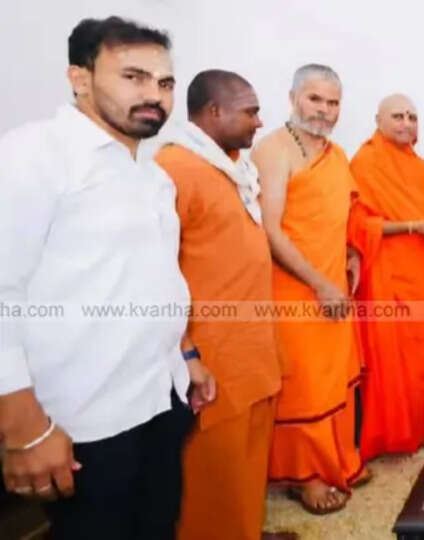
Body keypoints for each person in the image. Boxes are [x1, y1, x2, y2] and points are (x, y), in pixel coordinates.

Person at [0, 16, 207, 538]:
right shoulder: (32, 156)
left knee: (157, 526)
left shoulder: (151, 175)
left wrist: (185, 358)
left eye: (164, 83)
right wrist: (23, 428)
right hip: (82, 423)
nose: (154, 96)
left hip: (159, 403)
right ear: (80, 78)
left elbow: (155, 283)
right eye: (133, 77)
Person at [154, 70, 295, 539]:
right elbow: (158, 271)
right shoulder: (175, 168)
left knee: (248, 464)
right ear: (214, 112)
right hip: (214, 359)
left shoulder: (231, 165)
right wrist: (188, 352)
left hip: (252, 349)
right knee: (214, 472)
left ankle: (247, 530)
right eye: (250, 111)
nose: (259, 122)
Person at [252, 64, 367, 515]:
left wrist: (351, 255)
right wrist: (319, 283)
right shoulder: (274, 150)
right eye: (315, 99)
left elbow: (337, 218)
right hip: (296, 290)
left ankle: (338, 460)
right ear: (293, 98)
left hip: (334, 286)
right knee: (304, 384)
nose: (324, 110)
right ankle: (305, 475)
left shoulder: (335, 155)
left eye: (333, 102)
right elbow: (271, 229)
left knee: (335, 378)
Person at [348, 93, 424, 460]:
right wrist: (412, 226)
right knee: (390, 365)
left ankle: (419, 427)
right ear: (378, 119)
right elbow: (355, 223)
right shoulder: (365, 161)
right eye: (397, 116)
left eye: (412, 117)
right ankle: (391, 437)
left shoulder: (421, 168)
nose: (406, 123)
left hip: (422, 276)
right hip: (385, 276)